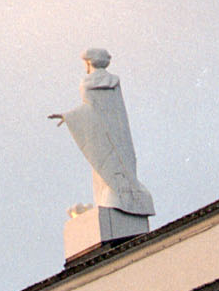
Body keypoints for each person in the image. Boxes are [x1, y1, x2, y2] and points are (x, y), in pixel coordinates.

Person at [50, 48, 156, 216]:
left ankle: (118, 200)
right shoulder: (114, 81)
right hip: (119, 134)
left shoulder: (86, 83)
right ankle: (124, 199)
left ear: (89, 62)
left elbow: (90, 110)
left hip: (100, 135)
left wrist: (68, 117)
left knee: (105, 169)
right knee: (119, 166)